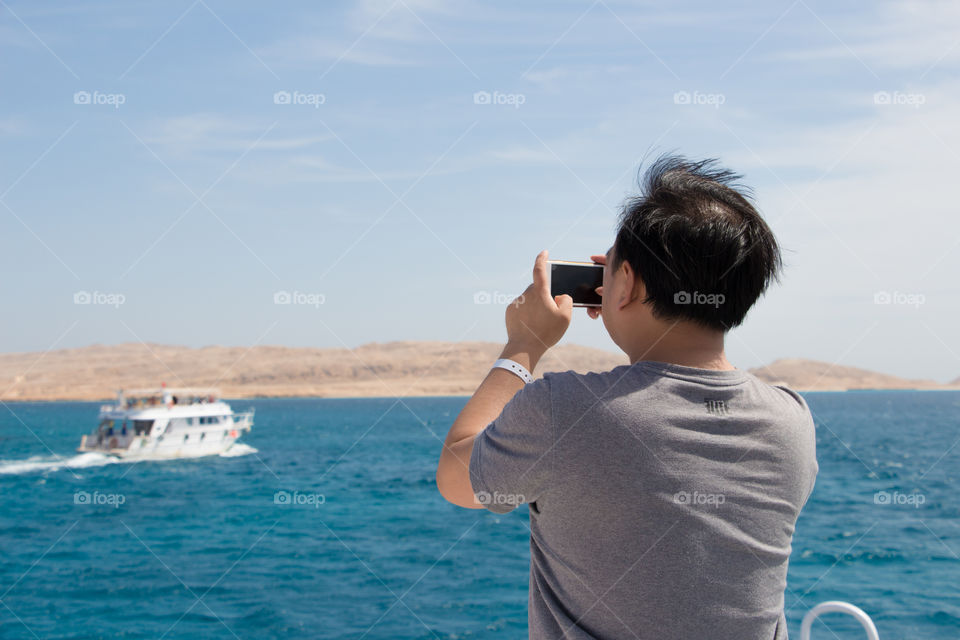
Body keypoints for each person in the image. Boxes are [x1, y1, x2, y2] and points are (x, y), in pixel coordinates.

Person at [436, 155, 818, 639]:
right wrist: (626, 286)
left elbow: (456, 477)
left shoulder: (565, 409)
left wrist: (523, 347)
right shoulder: (792, 419)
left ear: (627, 284)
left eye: (613, 269)